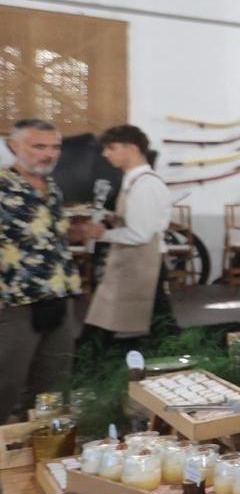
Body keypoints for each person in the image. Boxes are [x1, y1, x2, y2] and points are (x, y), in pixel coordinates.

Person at [0, 119, 83, 421]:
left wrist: (79, 231)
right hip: (14, 303)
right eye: (39, 146)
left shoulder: (53, 189)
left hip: (58, 297)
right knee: (6, 383)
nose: (49, 154)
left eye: (55, 147)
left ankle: (41, 452)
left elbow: (47, 237)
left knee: (54, 386)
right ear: (13, 146)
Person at [81, 125, 172, 339]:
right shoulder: (133, 180)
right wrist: (115, 218)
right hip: (136, 259)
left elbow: (140, 234)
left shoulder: (145, 184)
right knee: (155, 320)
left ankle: (90, 357)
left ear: (131, 148)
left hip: (143, 260)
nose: (105, 154)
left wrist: (102, 234)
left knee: (158, 322)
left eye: (111, 148)